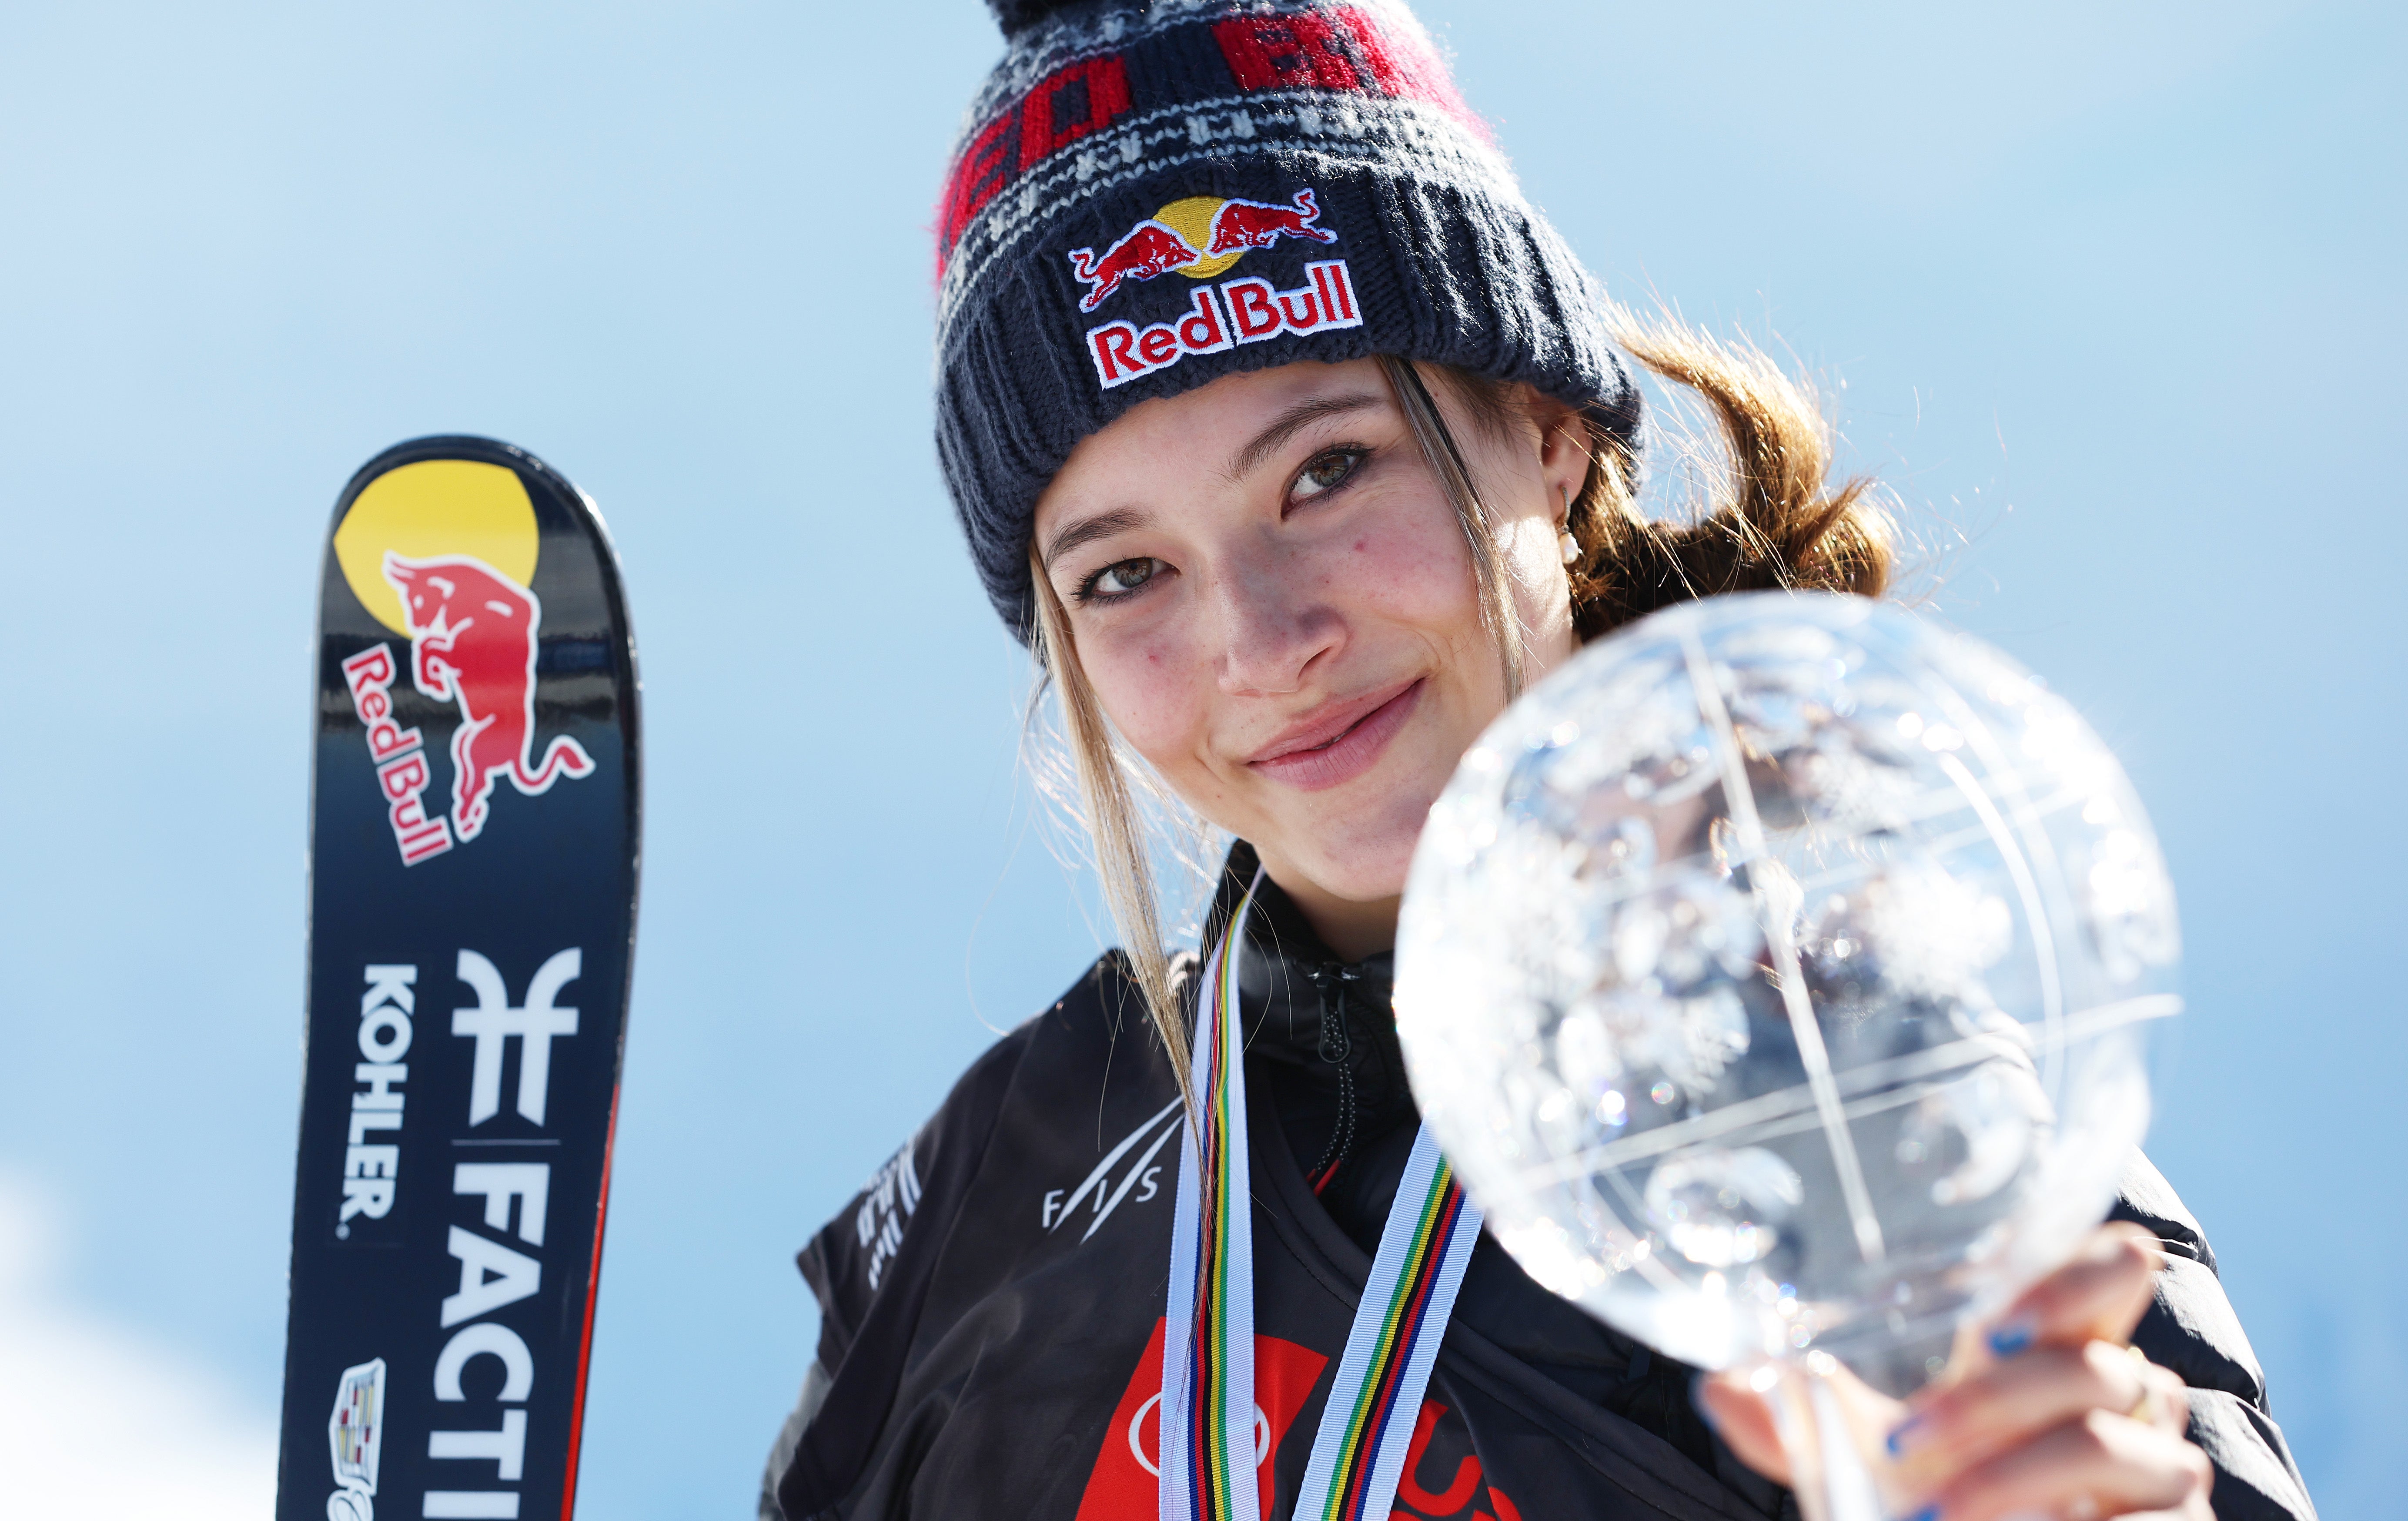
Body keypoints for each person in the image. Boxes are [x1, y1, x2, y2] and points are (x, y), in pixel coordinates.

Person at [763, 2, 2314, 1518]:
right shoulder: (1002, 1180)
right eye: (1123, 574)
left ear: (1547, 431)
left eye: (1327, 471)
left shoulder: (1897, 1164)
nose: (1259, 639)